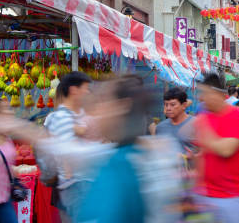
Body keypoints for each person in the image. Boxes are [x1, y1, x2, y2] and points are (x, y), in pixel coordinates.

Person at [77, 76, 183, 223]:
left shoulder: (119, 166)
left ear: (121, 106)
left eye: (102, 102)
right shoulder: (157, 152)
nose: (97, 110)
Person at [194, 72, 239, 223]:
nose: (200, 98)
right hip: (206, 196)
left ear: (217, 94)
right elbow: (202, 154)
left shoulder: (238, 115)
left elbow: (226, 150)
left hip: (233, 198)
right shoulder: (205, 117)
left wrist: (202, 127)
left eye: (204, 93)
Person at [43, 71, 92, 219]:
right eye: (85, 88)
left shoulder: (81, 114)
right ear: (73, 90)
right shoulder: (57, 117)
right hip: (74, 185)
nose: (88, 93)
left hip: (82, 183)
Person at [155, 87, 196, 154]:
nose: (168, 108)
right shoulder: (160, 127)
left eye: (172, 105)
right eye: (166, 105)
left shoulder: (196, 124)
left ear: (184, 105)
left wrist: (194, 157)